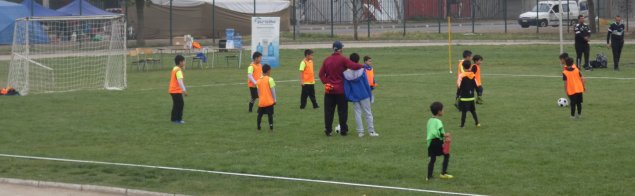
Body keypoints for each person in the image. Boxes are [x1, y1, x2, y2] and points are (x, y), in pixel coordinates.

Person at [319, 41, 363, 136]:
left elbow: (321, 74)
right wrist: (363, 66)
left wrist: (326, 82)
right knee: (342, 111)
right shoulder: (343, 59)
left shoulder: (327, 60)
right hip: (341, 90)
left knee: (328, 111)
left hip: (329, 90)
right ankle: (343, 130)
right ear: (340, 49)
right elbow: (353, 66)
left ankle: (328, 130)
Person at [344, 53, 378, 138]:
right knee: (368, 113)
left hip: (354, 96)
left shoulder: (346, 73)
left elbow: (346, 87)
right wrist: (370, 94)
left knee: (357, 113)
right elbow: (366, 83)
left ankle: (360, 132)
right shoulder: (362, 70)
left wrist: (348, 96)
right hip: (364, 94)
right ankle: (371, 131)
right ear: (358, 60)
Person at [426, 102, 453, 180]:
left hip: (430, 142)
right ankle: (443, 173)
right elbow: (437, 133)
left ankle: (429, 176)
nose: (443, 111)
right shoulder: (438, 122)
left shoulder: (429, 120)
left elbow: (430, 132)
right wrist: (445, 135)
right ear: (439, 112)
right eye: (442, 110)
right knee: (446, 155)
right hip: (437, 141)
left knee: (432, 159)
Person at [456, 60, 480, 128]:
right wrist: (478, 94)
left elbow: (459, 86)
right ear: (470, 66)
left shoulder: (461, 75)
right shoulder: (473, 75)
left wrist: (457, 95)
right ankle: (477, 123)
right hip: (471, 97)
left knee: (464, 112)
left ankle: (462, 125)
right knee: (473, 111)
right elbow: (476, 85)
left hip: (464, 97)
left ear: (463, 67)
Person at [257, 64, 277, 130]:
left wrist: (260, 98)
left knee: (260, 115)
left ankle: (258, 126)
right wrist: (274, 99)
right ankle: (271, 126)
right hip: (269, 101)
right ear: (268, 71)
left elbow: (258, 92)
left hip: (261, 102)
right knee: (270, 115)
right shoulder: (270, 79)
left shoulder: (258, 81)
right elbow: (273, 91)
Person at [169, 55, 188, 124]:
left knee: (176, 104)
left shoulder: (175, 68)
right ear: (180, 62)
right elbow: (179, 81)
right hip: (176, 90)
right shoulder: (178, 70)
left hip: (172, 90)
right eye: (183, 61)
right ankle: (178, 119)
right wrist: (184, 90)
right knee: (180, 104)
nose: (184, 63)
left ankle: (173, 119)